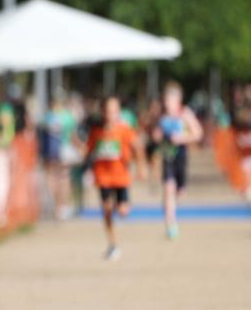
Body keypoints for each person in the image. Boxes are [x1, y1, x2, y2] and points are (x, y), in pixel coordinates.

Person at [85, 96, 147, 260]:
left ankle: (121, 207)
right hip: (103, 176)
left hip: (121, 177)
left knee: (122, 211)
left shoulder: (124, 130)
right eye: (106, 111)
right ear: (102, 112)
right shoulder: (96, 131)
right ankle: (113, 244)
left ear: (118, 112)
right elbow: (88, 151)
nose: (109, 114)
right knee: (106, 210)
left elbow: (138, 147)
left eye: (113, 111)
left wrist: (140, 166)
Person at [152, 81, 203, 239]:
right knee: (168, 190)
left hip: (181, 156)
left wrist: (181, 138)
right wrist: (158, 136)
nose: (167, 103)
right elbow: (156, 134)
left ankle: (173, 209)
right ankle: (170, 224)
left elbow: (198, 134)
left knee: (179, 192)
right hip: (167, 157)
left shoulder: (185, 114)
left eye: (170, 100)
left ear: (178, 99)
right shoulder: (162, 116)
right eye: (165, 100)